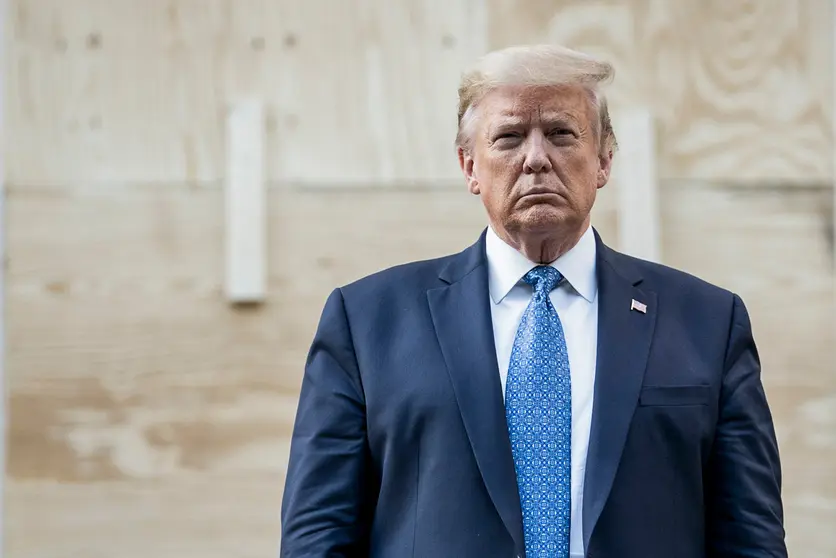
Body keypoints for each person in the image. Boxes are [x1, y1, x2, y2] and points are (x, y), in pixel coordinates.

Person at [279, 44, 787, 558]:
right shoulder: (367, 322)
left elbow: (751, 536)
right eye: (509, 137)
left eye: (562, 133)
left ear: (604, 160)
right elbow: (317, 536)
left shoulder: (706, 321)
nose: (537, 158)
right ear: (469, 166)